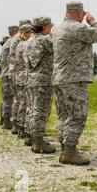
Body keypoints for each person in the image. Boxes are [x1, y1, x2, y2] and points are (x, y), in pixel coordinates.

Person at [52, 1, 97, 165]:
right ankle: (69, 152)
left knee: (64, 116)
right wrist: (93, 21)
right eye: (82, 13)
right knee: (77, 115)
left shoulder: (58, 28)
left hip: (60, 79)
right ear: (77, 13)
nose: (83, 16)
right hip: (74, 79)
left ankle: (65, 148)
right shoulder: (77, 27)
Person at [25, 16, 56, 153]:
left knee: (32, 109)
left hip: (32, 79)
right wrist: (54, 35)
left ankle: (31, 137)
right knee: (41, 111)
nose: (52, 27)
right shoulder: (45, 40)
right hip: (43, 81)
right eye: (50, 25)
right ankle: (38, 143)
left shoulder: (30, 40)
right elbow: (58, 49)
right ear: (44, 27)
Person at [8, 19, 32, 134]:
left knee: (18, 100)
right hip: (22, 75)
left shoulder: (16, 40)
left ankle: (17, 125)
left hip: (16, 74)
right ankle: (22, 127)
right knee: (24, 102)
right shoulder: (22, 42)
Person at [13, 24, 33, 138]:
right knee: (26, 104)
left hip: (19, 77)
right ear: (26, 33)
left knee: (21, 103)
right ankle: (23, 128)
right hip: (25, 77)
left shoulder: (19, 45)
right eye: (31, 32)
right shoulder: (25, 45)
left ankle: (20, 127)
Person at [0, 27, 18, 128]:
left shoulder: (7, 42)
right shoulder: (12, 42)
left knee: (6, 98)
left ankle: (4, 119)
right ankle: (6, 121)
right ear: (14, 32)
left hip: (5, 73)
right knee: (9, 99)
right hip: (8, 74)